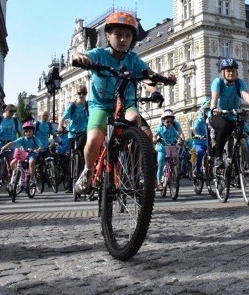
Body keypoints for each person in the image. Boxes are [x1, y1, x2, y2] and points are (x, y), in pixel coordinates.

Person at [72, 11, 175, 195]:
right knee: (94, 139)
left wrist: (159, 86)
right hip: (101, 106)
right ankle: (88, 171)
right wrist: (81, 58)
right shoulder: (99, 54)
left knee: (135, 119)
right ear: (108, 36)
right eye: (118, 34)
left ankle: (134, 165)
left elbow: (148, 77)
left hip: (126, 104)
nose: (122, 39)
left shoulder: (133, 60)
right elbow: (83, 54)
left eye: (127, 36)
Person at [209, 59, 249, 170]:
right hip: (218, 115)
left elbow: (245, 95)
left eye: (233, 70)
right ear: (222, 72)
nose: (231, 73)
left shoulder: (239, 83)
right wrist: (214, 108)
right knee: (224, 126)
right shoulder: (218, 82)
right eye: (228, 70)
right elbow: (214, 97)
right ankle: (218, 157)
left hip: (232, 116)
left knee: (241, 130)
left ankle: (236, 164)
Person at [58, 85, 89, 193]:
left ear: (86, 94)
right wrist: (60, 126)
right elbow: (63, 118)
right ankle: (70, 184)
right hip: (71, 133)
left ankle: (85, 179)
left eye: (84, 93)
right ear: (77, 94)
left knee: (82, 151)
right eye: (79, 93)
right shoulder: (72, 106)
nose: (81, 95)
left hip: (84, 132)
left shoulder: (88, 105)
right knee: (71, 157)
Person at [1, 121, 42, 188]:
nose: (28, 133)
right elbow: (13, 142)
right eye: (26, 132)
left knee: (31, 162)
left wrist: (36, 150)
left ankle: (31, 180)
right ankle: (17, 175)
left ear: (32, 132)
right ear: (24, 132)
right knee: (12, 163)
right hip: (23, 154)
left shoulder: (35, 139)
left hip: (32, 154)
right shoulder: (22, 139)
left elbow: (41, 146)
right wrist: (5, 147)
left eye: (30, 131)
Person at [153, 109, 185, 191]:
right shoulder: (160, 129)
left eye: (171, 121)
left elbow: (178, 135)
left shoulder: (173, 128)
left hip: (171, 146)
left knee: (174, 162)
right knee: (160, 164)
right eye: (168, 122)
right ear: (163, 121)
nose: (170, 123)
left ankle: (173, 175)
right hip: (162, 148)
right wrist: (156, 139)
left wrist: (180, 140)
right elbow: (154, 136)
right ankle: (159, 182)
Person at [191, 99, 210, 178]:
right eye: (206, 110)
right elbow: (193, 130)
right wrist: (197, 135)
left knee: (213, 153)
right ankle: (198, 170)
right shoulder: (198, 121)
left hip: (208, 143)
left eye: (208, 110)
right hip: (198, 143)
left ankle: (211, 170)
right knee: (200, 152)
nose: (207, 112)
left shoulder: (209, 120)